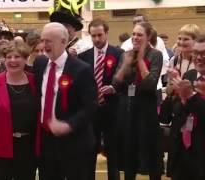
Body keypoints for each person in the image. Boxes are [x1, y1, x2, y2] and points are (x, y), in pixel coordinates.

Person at [34, 22, 97, 180]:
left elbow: (91, 107)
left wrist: (69, 125)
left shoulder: (81, 69)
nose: (44, 45)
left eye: (49, 41)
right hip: (46, 141)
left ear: (63, 41)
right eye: (42, 40)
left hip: (74, 142)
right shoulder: (40, 64)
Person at [0, 41, 40, 180]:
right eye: (9, 57)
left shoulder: (35, 81)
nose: (13, 60)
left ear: (26, 59)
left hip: (28, 147)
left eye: (17, 57)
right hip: (0, 147)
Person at [113, 22, 163, 180]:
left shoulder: (155, 55)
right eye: (134, 34)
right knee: (129, 152)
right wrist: (125, 65)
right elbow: (116, 84)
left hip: (147, 109)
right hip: (129, 109)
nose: (135, 37)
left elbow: (150, 84)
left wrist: (140, 59)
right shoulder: (125, 55)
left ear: (148, 37)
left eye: (139, 35)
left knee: (151, 151)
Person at [78, 18, 123, 180]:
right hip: (91, 112)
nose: (97, 39)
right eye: (93, 36)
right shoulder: (83, 57)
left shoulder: (118, 54)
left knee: (113, 152)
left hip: (112, 110)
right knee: (89, 151)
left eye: (100, 35)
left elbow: (124, 82)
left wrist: (114, 88)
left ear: (107, 33)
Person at [170, 34, 205, 180]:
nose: (198, 57)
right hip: (184, 151)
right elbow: (175, 113)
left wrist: (191, 97)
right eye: (196, 53)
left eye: (203, 54)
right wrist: (181, 98)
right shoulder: (190, 75)